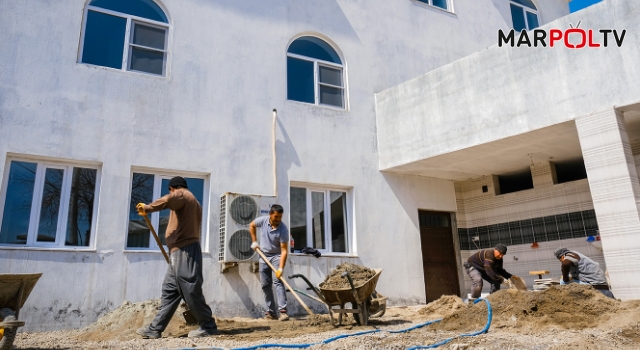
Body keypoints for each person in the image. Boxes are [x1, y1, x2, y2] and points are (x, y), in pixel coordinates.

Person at [135, 176, 218, 338]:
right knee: (170, 290)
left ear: (173, 188)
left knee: (190, 288)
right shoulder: (191, 201)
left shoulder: (182, 195)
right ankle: (155, 329)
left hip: (185, 251)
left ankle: (208, 326)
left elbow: (168, 200)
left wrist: (148, 207)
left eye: (170, 191)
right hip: (178, 252)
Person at [249, 204, 290, 321]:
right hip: (263, 256)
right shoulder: (263, 221)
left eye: (280, 217)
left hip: (277, 256)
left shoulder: (283, 229)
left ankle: (283, 312)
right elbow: (251, 225)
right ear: (270, 214)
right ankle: (272, 312)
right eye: (276, 217)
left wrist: (281, 268)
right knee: (265, 285)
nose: (278, 219)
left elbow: (284, 251)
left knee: (278, 281)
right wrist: (254, 242)